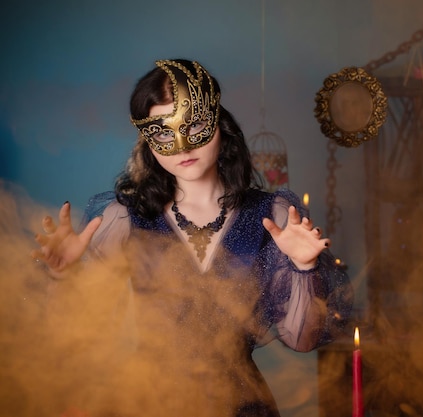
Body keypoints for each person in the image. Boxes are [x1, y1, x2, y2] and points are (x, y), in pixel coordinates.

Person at [32, 59, 353, 417]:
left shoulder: (274, 216)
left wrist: (305, 267)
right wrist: (63, 276)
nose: (182, 145)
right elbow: (75, 333)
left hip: (243, 406)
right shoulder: (123, 218)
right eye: (163, 132)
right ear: (147, 141)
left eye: (195, 124)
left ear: (220, 124)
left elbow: (302, 340)